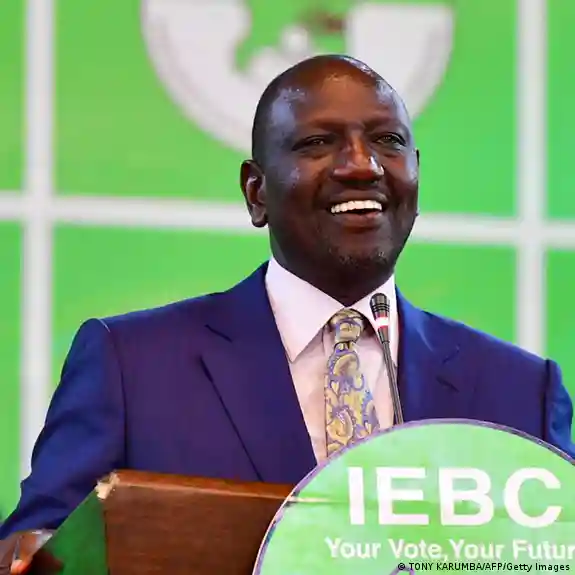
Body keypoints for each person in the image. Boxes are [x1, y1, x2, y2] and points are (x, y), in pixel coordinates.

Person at [1, 54, 574, 573]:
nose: (362, 166)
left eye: (387, 140)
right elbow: (37, 548)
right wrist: (36, 551)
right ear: (256, 192)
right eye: (318, 143)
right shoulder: (132, 366)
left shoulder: (522, 393)